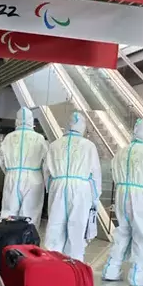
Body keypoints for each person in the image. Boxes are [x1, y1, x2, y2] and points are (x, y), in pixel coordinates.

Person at [102, 119, 143, 286]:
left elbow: (114, 173)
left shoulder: (121, 152)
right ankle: (137, 274)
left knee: (122, 232)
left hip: (122, 195)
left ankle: (111, 268)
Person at [44, 111, 102, 262]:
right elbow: (95, 174)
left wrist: (50, 188)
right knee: (77, 226)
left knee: (55, 225)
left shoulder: (54, 145)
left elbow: (46, 172)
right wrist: (95, 198)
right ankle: (74, 265)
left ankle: (51, 264)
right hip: (81, 188)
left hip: (58, 185)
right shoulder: (89, 146)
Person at [0, 107, 49, 229]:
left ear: (17, 120)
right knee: (30, 214)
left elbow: (2, 161)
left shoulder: (8, 138)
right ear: (32, 120)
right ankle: (27, 244)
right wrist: (46, 182)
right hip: (34, 178)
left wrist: (10, 173)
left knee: (8, 213)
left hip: (12, 176)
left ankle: (8, 244)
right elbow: (47, 163)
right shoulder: (39, 138)